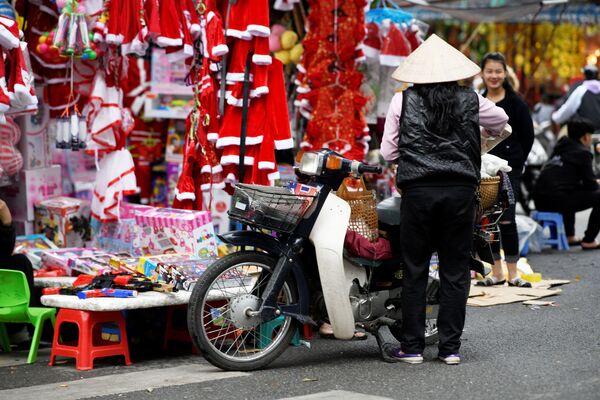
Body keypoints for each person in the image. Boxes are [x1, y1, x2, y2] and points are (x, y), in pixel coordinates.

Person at [381, 34, 509, 365]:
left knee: (414, 269)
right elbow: (501, 121)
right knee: (455, 270)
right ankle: (450, 349)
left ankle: (411, 347)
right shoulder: (471, 100)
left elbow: (388, 151)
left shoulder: (402, 101)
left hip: (418, 192)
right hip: (460, 193)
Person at [477, 52, 535, 288]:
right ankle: (496, 272)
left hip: (510, 167)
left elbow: (528, 137)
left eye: (498, 71)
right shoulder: (478, 102)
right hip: (484, 168)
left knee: (507, 220)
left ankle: (514, 274)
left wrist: (518, 162)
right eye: (489, 71)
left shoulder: (516, 103)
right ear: (483, 73)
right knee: (487, 221)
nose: (494, 76)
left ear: (505, 73)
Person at [533, 117, 600, 250]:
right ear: (586, 136)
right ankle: (589, 240)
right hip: (555, 200)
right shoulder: (583, 153)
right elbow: (590, 185)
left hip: (540, 199)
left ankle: (570, 237)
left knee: (570, 190)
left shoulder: (560, 147)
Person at [552, 65, 600, 133]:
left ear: (585, 76)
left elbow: (569, 109)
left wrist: (556, 118)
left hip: (586, 134)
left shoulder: (581, 90)